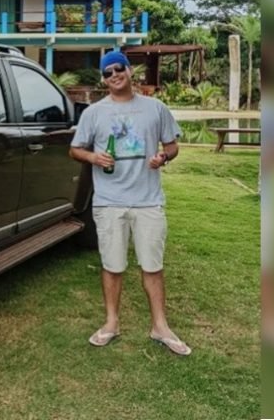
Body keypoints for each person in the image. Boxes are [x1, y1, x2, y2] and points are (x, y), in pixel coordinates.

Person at [69, 50, 191, 356]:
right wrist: (94, 157)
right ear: (103, 78)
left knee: (153, 265)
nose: (114, 76)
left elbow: (172, 145)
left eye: (118, 69)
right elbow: (75, 149)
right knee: (112, 265)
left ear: (129, 71)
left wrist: (163, 157)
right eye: (107, 73)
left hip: (148, 200)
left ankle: (160, 326)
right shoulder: (94, 113)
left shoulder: (155, 108)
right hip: (109, 201)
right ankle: (111, 323)